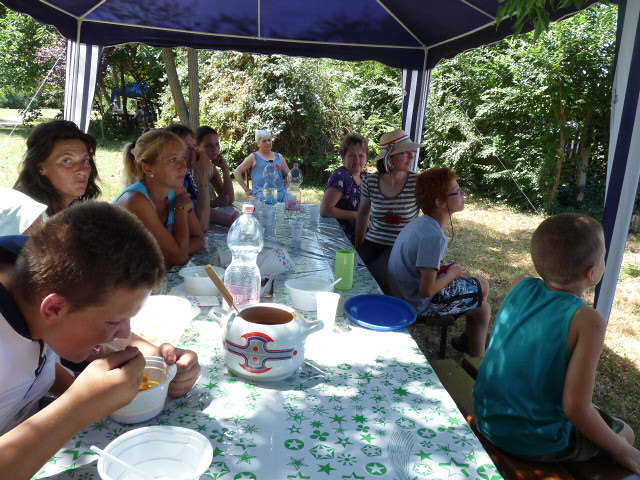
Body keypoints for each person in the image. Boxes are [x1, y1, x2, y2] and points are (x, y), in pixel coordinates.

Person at [0, 201, 201, 479]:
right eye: (113, 322)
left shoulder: (41, 273)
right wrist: (78, 407)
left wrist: (160, 357)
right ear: (54, 308)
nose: (124, 333)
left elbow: (33, 369)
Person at [473, 213, 640, 474]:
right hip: (532, 441)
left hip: (486, 417)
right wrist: (623, 450)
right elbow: (576, 408)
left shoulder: (520, 285)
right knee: (626, 432)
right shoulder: (588, 321)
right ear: (592, 272)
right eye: (604, 256)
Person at [388, 167, 490, 356]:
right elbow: (426, 291)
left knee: (481, 307)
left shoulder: (421, 223)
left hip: (403, 292)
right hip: (417, 304)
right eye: (457, 191)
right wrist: (451, 274)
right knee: (483, 288)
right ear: (440, 202)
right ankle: (477, 360)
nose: (463, 194)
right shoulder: (434, 237)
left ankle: (468, 343)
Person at [116, 129, 204, 268]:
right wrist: (180, 209)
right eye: (173, 160)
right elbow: (179, 258)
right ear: (148, 169)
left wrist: (172, 253)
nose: (183, 166)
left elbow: (199, 239)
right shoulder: (135, 201)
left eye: (183, 158)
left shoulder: (175, 190)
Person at [354, 129, 421, 291]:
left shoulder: (418, 182)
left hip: (401, 246)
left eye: (411, 152)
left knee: (376, 276)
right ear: (389, 157)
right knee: (352, 268)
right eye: (404, 153)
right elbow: (363, 214)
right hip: (373, 241)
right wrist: (358, 245)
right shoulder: (370, 181)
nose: (411, 156)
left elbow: (429, 219)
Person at [14, 120, 100, 216]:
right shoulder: (24, 214)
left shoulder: (76, 212)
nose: (82, 171)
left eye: (85, 160)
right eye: (67, 161)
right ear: (40, 168)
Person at [320, 134, 368, 243]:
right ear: (343, 155)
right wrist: (356, 215)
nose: (357, 160)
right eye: (352, 156)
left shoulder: (365, 177)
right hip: (341, 240)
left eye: (361, 156)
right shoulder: (340, 177)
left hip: (361, 236)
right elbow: (325, 210)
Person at [166, 124, 212, 232]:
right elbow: (202, 226)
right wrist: (203, 178)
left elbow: (196, 208)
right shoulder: (170, 182)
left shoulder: (186, 176)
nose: (194, 152)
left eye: (194, 147)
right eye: (187, 148)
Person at [196, 126, 239, 227]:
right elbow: (191, 205)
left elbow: (229, 198)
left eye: (217, 144)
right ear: (196, 147)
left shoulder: (211, 168)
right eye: (209, 146)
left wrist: (225, 169)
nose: (215, 149)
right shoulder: (189, 169)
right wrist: (214, 203)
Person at [234, 129, 290, 201]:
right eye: (264, 141)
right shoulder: (254, 157)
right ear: (258, 144)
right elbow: (237, 172)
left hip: (281, 193)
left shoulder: (279, 156)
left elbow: (289, 173)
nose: (268, 143)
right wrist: (247, 190)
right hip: (262, 194)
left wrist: (287, 186)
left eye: (269, 140)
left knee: (293, 201)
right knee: (268, 202)